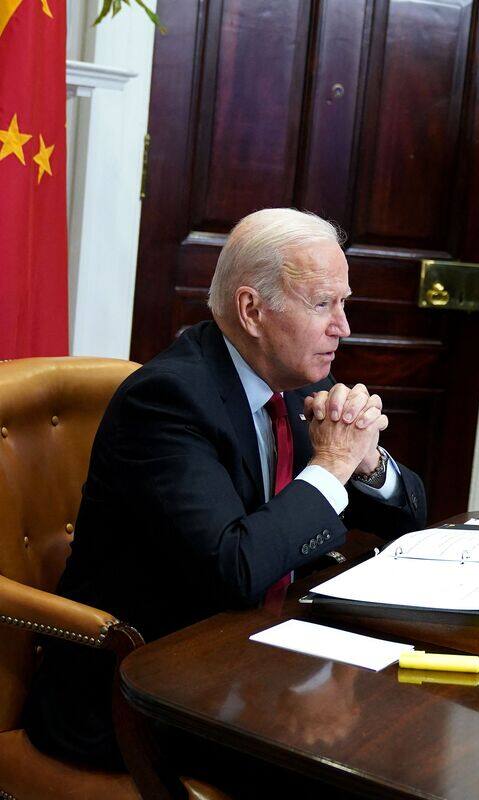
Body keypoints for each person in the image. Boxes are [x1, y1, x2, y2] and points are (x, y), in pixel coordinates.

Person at [24, 208, 427, 767]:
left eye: (343, 302)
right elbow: (235, 565)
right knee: (356, 764)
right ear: (251, 310)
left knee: (400, 730)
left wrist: (367, 466)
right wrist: (333, 465)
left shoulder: (297, 377)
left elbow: (409, 516)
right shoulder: (167, 401)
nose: (344, 326)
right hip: (138, 695)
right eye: (322, 305)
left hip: (255, 661)